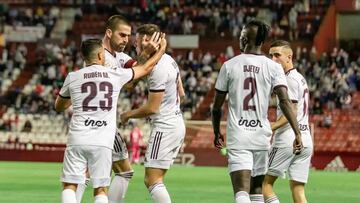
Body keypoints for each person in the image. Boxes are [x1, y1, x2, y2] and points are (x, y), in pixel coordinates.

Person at [56, 36, 166, 203]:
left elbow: (59, 106)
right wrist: (161, 50)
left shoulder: (73, 77)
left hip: (78, 137)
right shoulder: (114, 74)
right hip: (102, 140)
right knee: (101, 189)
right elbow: (144, 68)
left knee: (70, 185)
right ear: (101, 55)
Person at [211, 20, 303, 203]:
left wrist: (216, 132)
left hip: (239, 135)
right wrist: (297, 132)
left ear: (244, 39)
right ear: (262, 43)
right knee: (256, 190)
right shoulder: (274, 67)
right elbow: (285, 102)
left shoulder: (229, 65)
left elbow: (216, 107)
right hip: (262, 135)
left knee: (241, 191)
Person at [120, 24, 185, 203]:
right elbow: (182, 93)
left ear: (148, 41)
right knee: (154, 179)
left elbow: (152, 108)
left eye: (138, 42)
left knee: (152, 180)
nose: (135, 45)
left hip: (165, 126)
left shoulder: (158, 68)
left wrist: (128, 114)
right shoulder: (169, 60)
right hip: (175, 122)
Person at [263, 40, 313, 203]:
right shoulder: (300, 78)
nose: (273, 59)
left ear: (289, 57)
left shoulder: (288, 79)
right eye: (271, 55)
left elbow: (292, 110)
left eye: (277, 55)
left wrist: (273, 125)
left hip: (288, 139)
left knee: (264, 183)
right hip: (305, 139)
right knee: (298, 189)